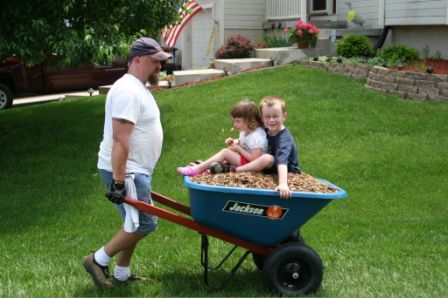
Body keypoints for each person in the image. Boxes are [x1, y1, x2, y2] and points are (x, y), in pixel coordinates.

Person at [83, 37, 172, 289]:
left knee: (132, 223)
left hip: (135, 169)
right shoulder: (127, 91)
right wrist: (119, 182)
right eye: (156, 62)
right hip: (127, 171)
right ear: (138, 60)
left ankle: (121, 274)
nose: (160, 67)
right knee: (144, 223)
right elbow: (120, 138)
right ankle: (97, 260)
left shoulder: (137, 87)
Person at [176, 99, 268, 176]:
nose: (234, 124)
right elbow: (244, 143)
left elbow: (254, 159)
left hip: (252, 165)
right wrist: (234, 142)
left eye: (237, 121)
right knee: (229, 151)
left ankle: (196, 170)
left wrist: (239, 149)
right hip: (245, 160)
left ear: (249, 120)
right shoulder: (245, 130)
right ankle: (208, 167)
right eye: (233, 121)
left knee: (225, 153)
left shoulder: (257, 136)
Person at [235, 96, 301, 199]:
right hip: (268, 166)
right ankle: (217, 165)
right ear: (262, 117)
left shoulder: (284, 139)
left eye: (275, 116)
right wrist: (238, 142)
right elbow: (252, 134)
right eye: (267, 116)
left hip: (287, 170)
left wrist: (283, 183)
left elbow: (282, 161)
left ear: (284, 116)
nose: (271, 120)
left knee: (267, 158)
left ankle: (236, 170)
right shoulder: (265, 128)